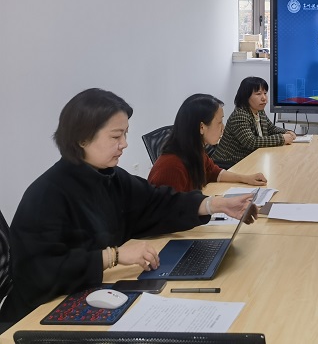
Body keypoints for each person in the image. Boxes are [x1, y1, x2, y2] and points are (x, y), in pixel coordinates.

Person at [0, 89, 258, 325]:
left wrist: (214, 204)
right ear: (82, 139)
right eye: (116, 136)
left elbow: (158, 202)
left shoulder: (110, 177)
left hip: (93, 294)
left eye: (125, 134)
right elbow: (40, 271)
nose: (124, 143)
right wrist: (113, 256)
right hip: (37, 315)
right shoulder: (47, 195)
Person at [148, 94, 267, 192]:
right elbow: (172, 210)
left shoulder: (194, 150)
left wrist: (246, 178)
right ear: (202, 127)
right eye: (219, 122)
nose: (223, 128)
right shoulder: (172, 167)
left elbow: (213, 172)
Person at [213, 77, 296, 164]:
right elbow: (251, 142)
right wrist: (282, 138)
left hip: (249, 159)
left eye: (265, 93)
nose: (264, 98)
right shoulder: (240, 115)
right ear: (246, 96)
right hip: (227, 163)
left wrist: (286, 132)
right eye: (258, 94)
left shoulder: (259, 111)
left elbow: (271, 128)